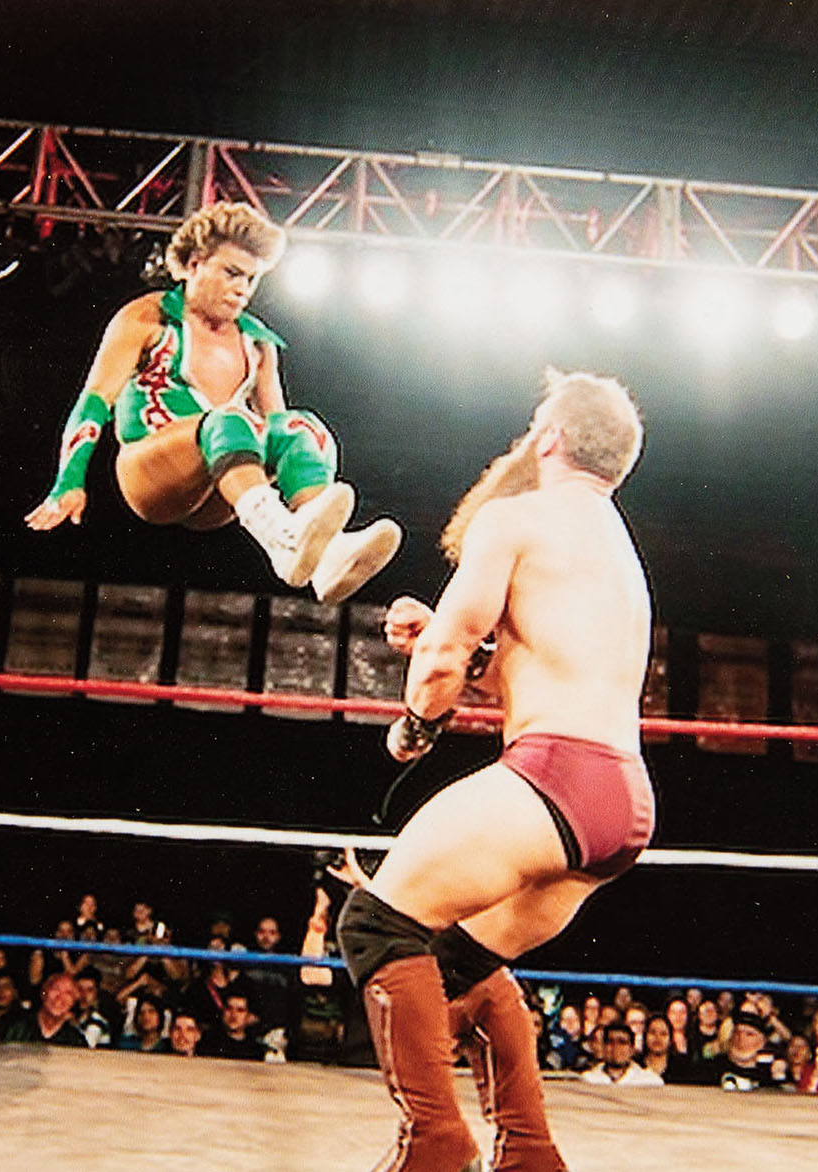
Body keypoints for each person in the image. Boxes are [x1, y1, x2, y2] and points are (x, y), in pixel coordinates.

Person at [336, 369, 655, 1172]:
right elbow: (510, 662)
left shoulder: (516, 516)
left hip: (555, 775)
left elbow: (447, 660)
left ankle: (435, 1149)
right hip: (621, 799)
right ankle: (529, 1153)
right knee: (457, 968)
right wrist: (446, 643)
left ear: (547, 437)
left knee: (376, 922)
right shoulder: (615, 544)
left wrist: (417, 723)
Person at [24, 201, 399, 604]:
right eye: (232, 273)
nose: (243, 289)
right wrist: (69, 481)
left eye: (253, 280)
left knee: (302, 428)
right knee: (226, 419)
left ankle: (327, 556)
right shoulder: (147, 319)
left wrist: (305, 473)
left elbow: (277, 429)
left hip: (221, 487)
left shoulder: (257, 342)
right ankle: (279, 540)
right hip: (151, 472)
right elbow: (95, 402)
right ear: (193, 265)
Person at [580, 1022, 661, 1087]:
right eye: (610, 1042)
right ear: (603, 1047)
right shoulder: (587, 1080)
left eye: (622, 1042)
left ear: (632, 1049)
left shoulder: (649, 1082)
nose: (616, 1047)